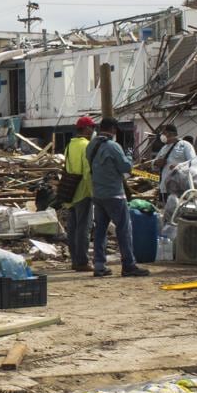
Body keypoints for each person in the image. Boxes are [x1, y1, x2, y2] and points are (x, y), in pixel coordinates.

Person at [86, 117, 149, 277]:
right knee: (124, 230)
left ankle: (99, 265)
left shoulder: (91, 145)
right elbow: (126, 167)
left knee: (100, 231)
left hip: (98, 194)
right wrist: (129, 156)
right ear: (113, 130)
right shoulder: (113, 146)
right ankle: (128, 265)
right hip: (114, 194)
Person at [65, 116, 95, 271]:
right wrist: (93, 192)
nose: (93, 131)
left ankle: (75, 260)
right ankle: (82, 261)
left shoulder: (70, 145)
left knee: (73, 228)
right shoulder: (86, 145)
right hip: (83, 191)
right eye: (92, 127)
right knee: (84, 228)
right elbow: (88, 171)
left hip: (70, 192)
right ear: (87, 129)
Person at [152, 124, 196, 211]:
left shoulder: (185, 145)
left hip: (179, 188)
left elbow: (194, 162)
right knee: (164, 213)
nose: (162, 135)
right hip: (164, 187)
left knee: (177, 213)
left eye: (163, 133)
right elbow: (154, 165)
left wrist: (179, 166)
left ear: (170, 134)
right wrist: (156, 163)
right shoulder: (163, 148)